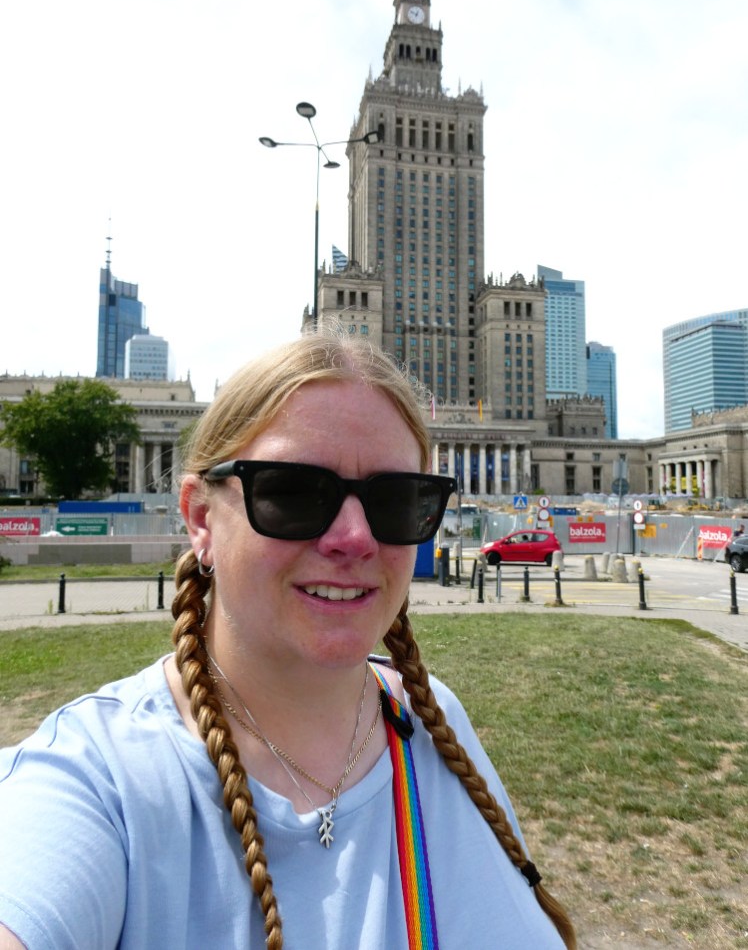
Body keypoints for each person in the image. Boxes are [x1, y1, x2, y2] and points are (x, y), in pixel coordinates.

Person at [0, 330, 576, 950]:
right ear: (200, 518)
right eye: (295, 491)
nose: (354, 538)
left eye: (398, 498)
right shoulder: (93, 780)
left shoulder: (436, 723)